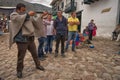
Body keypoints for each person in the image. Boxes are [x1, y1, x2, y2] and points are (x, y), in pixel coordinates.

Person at [9, 3, 45, 78]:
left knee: (35, 54)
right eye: (23, 10)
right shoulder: (14, 15)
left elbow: (35, 21)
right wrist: (28, 14)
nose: (24, 11)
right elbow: (18, 19)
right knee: (21, 57)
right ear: (18, 10)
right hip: (21, 40)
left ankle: (38, 65)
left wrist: (41, 16)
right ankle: (19, 71)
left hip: (30, 39)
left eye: (25, 10)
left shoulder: (25, 15)